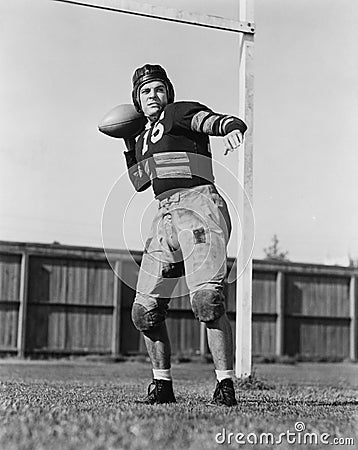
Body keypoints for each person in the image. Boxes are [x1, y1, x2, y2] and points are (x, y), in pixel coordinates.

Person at [123, 64, 247, 406]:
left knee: (207, 301)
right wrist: (125, 139)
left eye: (159, 89)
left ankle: (225, 385)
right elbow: (140, 181)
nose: (154, 95)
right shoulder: (142, 138)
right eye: (146, 91)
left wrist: (230, 127)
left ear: (168, 93)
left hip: (198, 205)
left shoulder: (177, 113)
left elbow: (206, 120)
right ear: (136, 99)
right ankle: (162, 386)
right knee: (144, 311)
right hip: (162, 214)